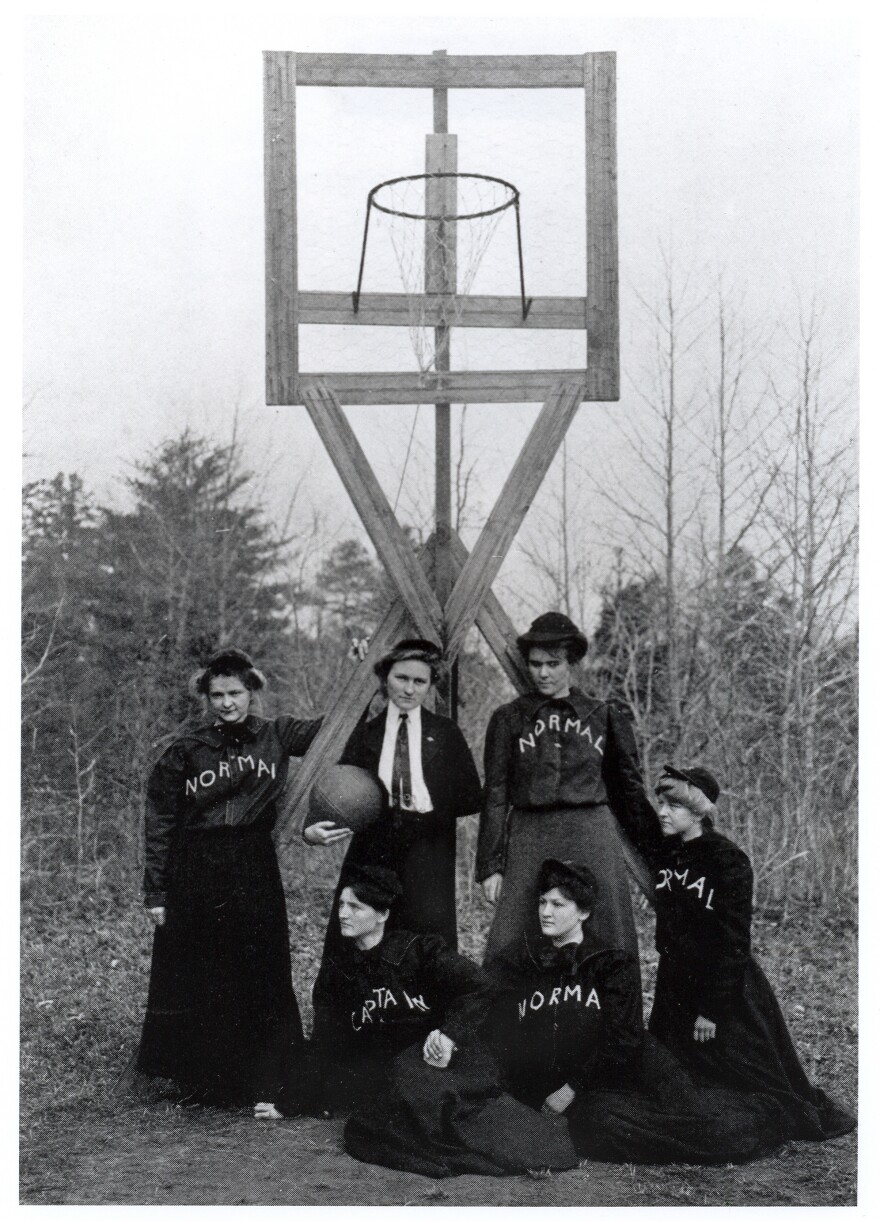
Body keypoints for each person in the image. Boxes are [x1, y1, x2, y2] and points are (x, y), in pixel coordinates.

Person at [486, 857, 786, 1164]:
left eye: (559, 905)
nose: (546, 912)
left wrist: (572, 1088)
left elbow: (624, 1038)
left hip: (628, 1070)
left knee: (699, 1123)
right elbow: (502, 1028)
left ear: (584, 912)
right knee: (594, 1127)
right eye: (542, 902)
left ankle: (751, 1121)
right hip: (574, 1090)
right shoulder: (519, 962)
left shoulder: (611, 962)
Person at [624, 763, 856, 1142]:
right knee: (675, 1077)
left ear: (698, 811)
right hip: (674, 983)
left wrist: (712, 1009)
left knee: (746, 1075)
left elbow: (733, 942)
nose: (663, 812)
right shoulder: (664, 850)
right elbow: (631, 805)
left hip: (724, 986)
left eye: (673, 806)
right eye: (661, 803)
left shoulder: (728, 860)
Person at [137, 646, 322, 1119]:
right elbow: (160, 819)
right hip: (195, 865)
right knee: (204, 971)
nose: (226, 703)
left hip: (252, 861)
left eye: (235, 692)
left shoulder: (277, 734)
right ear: (206, 697)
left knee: (262, 967)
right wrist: (156, 891)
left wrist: (372, 673)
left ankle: (270, 1076)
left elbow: (337, 728)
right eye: (217, 694)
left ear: (252, 691)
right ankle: (209, 1082)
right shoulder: (187, 748)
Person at [311, 864, 579, 1178]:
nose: (343, 914)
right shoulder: (339, 970)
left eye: (355, 907)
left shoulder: (421, 951)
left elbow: (481, 985)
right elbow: (325, 1037)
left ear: (382, 914)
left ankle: (534, 1146)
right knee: (368, 1128)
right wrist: (293, 1100)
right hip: (389, 1075)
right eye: (341, 905)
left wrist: (450, 1034)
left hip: (444, 1061)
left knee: (458, 1112)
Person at [476, 612, 655, 967]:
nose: (543, 673)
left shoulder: (603, 716)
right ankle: (506, 1021)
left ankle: (612, 1020)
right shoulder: (509, 718)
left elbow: (630, 794)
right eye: (535, 664)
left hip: (591, 834)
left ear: (571, 663)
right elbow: (495, 793)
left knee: (605, 930)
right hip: (531, 835)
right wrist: (490, 866)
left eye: (553, 664)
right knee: (514, 936)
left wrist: (654, 859)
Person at [305, 638, 482, 950]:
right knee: (361, 937)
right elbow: (338, 788)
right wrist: (311, 829)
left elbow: (469, 796)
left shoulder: (445, 733)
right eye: (401, 678)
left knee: (426, 940)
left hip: (428, 851)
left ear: (430, 685)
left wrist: (428, 809)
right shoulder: (366, 733)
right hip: (373, 846)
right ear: (385, 678)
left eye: (419, 681)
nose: (409, 689)